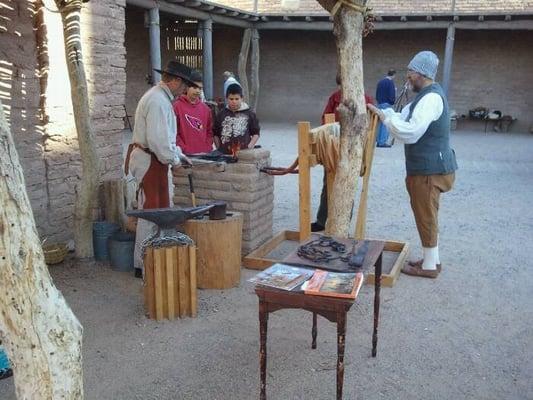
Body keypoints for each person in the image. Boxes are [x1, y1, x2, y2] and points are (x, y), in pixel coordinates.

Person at [368, 51, 458, 279]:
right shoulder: (423, 96)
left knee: (425, 215)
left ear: (420, 73)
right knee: (428, 214)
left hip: (430, 170)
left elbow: (410, 132)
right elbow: (403, 116)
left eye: (410, 72)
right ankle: (432, 260)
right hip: (430, 168)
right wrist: (383, 113)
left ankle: (429, 267)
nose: (407, 76)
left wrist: (386, 119)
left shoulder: (430, 98)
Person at [125, 60, 193, 277]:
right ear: (175, 81)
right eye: (183, 85)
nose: (184, 89)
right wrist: (174, 160)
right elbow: (158, 141)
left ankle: (150, 261)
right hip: (149, 161)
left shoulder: (161, 98)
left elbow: (166, 139)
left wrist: (179, 154)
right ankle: (143, 265)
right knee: (150, 215)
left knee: (158, 211)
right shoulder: (157, 101)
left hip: (155, 160)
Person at [311, 75, 373, 232]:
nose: (342, 89)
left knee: (347, 185)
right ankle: (321, 220)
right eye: (340, 86)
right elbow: (326, 118)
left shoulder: (365, 99)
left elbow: (370, 123)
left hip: (354, 147)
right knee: (328, 184)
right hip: (334, 146)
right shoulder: (335, 97)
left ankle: (343, 222)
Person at [174, 70, 213, 154]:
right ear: (187, 88)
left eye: (200, 88)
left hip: (204, 156)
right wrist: (183, 148)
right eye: (194, 87)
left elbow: (209, 132)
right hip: (184, 156)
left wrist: (207, 147)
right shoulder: (176, 107)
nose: (197, 91)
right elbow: (173, 133)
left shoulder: (206, 109)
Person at [213, 83, 260, 154]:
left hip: (243, 154)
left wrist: (249, 147)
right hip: (224, 154)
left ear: (242, 98)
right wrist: (218, 148)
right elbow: (215, 133)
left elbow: (256, 133)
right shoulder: (221, 114)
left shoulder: (249, 113)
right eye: (231, 99)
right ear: (226, 99)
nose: (234, 101)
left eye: (237, 99)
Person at [375, 69, 397, 147]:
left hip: (380, 103)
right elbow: (391, 95)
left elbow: (377, 93)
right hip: (386, 104)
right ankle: (382, 142)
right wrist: (392, 102)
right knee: (385, 123)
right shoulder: (390, 83)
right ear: (394, 75)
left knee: (380, 123)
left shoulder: (380, 82)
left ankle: (378, 140)